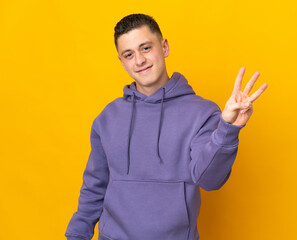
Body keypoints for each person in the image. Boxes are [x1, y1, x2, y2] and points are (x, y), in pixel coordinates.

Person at [65, 13, 268, 240]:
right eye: (129, 54)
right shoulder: (108, 117)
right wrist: (76, 235)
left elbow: (210, 180)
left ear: (164, 47)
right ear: (121, 62)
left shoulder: (202, 113)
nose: (139, 60)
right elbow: (94, 187)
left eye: (145, 48)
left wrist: (228, 128)